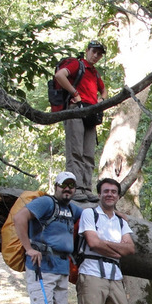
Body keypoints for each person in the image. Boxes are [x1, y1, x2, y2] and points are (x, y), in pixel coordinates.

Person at [13, 171, 83, 304]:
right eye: (64, 185)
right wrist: (28, 248)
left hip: (62, 268)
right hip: (41, 267)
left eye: (72, 186)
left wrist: (120, 216)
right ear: (56, 186)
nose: (68, 189)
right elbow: (19, 218)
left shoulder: (72, 208)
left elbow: (92, 214)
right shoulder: (45, 203)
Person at [76, 178, 139, 304]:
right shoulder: (89, 214)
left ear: (118, 196)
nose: (110, 194)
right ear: (99, 194)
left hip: (115, 276)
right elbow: (92, 243)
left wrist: (106, 245)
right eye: (105, 191)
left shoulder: (121, 222)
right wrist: (116, 248)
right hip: (92, 273)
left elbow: (130, 249)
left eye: (113, 191)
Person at [54, 40, 108, 202]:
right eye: (94, 52)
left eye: (99, 54)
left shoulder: (95, 72)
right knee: (75, 150)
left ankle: (85, 188)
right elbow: (60, 75)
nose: (96, 56)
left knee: (88, 152)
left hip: (91, 113)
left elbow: (104, 89)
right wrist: (74, 93)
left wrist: (101, 100)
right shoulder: (78, 65)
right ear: (87, 51)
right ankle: (74, 188)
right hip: (76, 110)